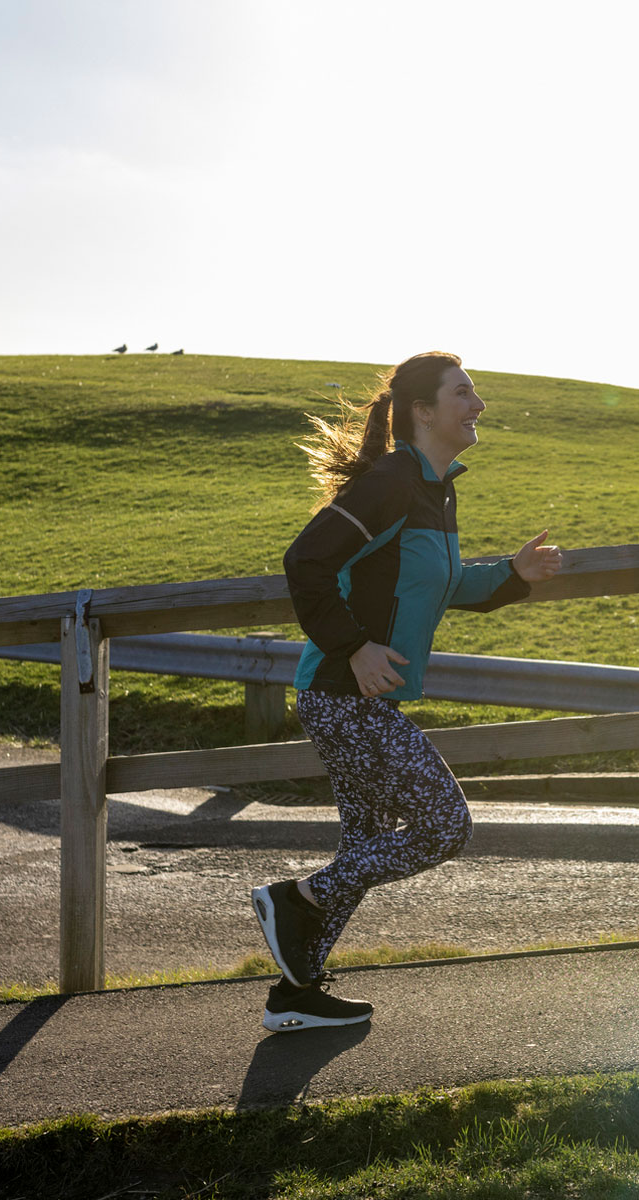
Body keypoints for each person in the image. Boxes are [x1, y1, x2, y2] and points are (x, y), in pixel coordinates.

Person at [254, 351, 562, 1031]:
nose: (478, 405)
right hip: (343, 692)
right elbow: (306, 560)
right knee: (444, 828)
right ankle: (296, 901)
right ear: (423, 410)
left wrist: (513, 573)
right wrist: (354, 646)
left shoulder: (433, 488)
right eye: (464, 392)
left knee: (365, 844)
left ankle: (294, 997)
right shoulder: (393, 482)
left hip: (364, 699)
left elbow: (444, 586)